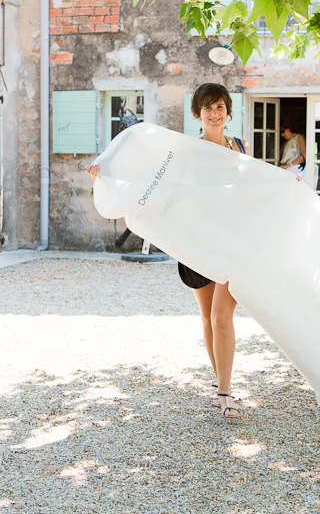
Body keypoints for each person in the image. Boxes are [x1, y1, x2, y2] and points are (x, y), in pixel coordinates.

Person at [87, 83, 247, 420]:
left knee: (221, 316)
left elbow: (259, 186)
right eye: (208, 108)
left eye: (220, 107)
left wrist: (288, 182)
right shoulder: (188, 151)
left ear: (227, 111)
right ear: (198, 114)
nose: (215, 114)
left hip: (232, 242)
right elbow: (151, 179)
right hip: (197, 242)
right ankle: (220, 384)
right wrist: (108, 175)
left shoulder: (241, 148)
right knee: (206, 319)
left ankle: (226, 393)